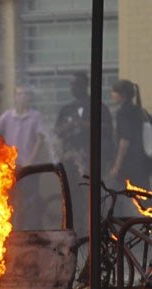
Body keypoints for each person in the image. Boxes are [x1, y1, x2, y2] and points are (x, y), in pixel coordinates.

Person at [54, 72, 114, 233]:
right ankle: (78, 228)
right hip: (71, 159)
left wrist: (83, 124)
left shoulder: (98, 107)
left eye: (77, 84)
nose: (73, 88)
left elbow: (108, 129)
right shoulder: (67, 109)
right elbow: (57, 131)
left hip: (92, 158)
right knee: (73, 193)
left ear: (85, 85)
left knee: (93, 193)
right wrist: (68, 127)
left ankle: (97, 228)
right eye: (71, 84)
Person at [0, 84, 46, 230]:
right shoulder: (7, 116)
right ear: (14, 96)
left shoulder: (35, 116)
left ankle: (30, 231)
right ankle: (13, 230)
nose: (22, 97)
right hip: (11, 166)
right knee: (12, 200)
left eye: (25, 94)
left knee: (30, 200)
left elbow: (40, 140)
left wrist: (30, 160)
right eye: (19, 94)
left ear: (29, 98)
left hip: (30, 167)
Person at [109, 79, 150, 214]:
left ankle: (121, 225)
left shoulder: (123, 112)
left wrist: (116, 166)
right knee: (144, 193)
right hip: (143, 160)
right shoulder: (140, 111)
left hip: (130, 162)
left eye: (114, 92)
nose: (112, 94)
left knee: (115, 192)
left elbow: (125, 140)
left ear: (123, 94)